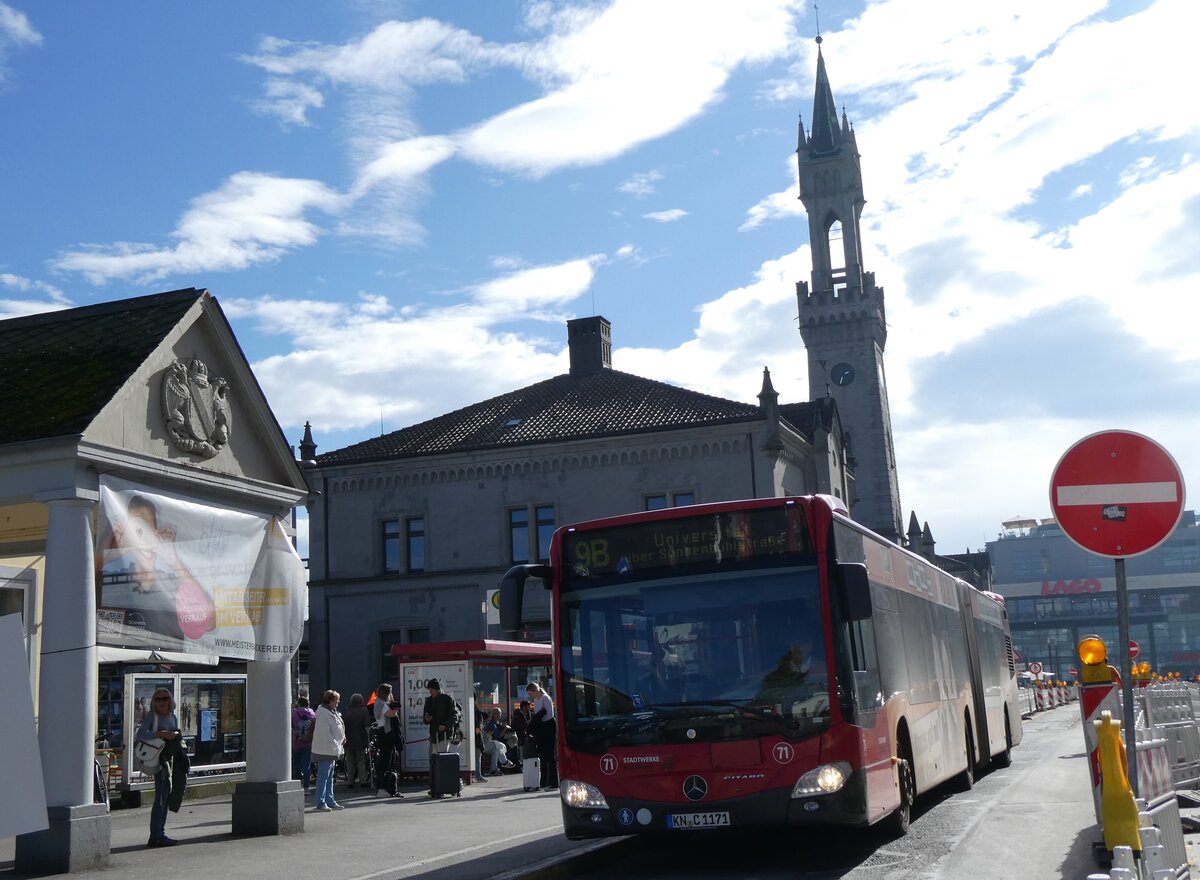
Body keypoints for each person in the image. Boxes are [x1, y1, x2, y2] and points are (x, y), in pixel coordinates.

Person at [137, 687, 184, 846]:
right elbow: (141, 734)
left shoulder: (172, 717)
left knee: (166, 795)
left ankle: (159, 833)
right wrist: (160, 733)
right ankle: (157, 835)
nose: (161, 702)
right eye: (158, 699)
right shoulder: (152, 716)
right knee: (161, 797)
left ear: (170, 701)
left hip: (170, 759)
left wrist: (175, 735)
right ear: (153, 702)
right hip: (158, 761)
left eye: (165, 699)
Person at [311, 689, 346, 811]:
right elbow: (325, 734)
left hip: (331, 749)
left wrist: (342, 738)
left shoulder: (331, 712)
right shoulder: (324, 714)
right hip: (325, 749)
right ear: (330, 700)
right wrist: (336, 743)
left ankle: (330, 800)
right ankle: (321, 803)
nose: (338, 702)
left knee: (329, 777)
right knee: (323, 777)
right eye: (337, 700)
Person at [525, 682, 558, 790]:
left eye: (531, 693)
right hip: (541, 728)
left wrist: (538, 719)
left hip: (548, 727)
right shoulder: (536, 700)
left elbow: (550, 715)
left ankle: (553, 782)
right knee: (543, 756)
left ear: (535, 691)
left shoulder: (545, 698)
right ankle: (544, 781)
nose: (531, 696)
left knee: (550, 755)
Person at [373, 683, 402, 797]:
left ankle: (386, 787)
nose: (391, 694)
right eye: (390, 692)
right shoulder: (382, 704)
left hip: (383, 732)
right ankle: (382, 787)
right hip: (386, 733)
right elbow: (393, 714)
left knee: (387, 760)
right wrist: (393, 704)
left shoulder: (378, 703)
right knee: (386, 761)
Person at [342, 693, 371, 789]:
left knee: (350, 761)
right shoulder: (364, 711)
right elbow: (367, 725)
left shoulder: (346, 711)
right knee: (361, 760)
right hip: (360, 738)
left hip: (348, 739)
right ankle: (362, 780)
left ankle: (350, 781)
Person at [422, 678, 457, 755]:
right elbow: (425, 717)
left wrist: (445, 725)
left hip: (445, 734)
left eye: (431, 690)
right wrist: (426, 719)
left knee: (442, 757)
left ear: (437, 689)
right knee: (434, 758)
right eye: (429, 690)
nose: (430, 692)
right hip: (434, 735)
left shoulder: (448, 699)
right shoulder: (429, 701)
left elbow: (455, 716)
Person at [291, 694, 316, 793]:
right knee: (307, 765)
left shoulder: (295, 713)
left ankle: (297, 785)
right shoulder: (312, 714)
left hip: (296, 742)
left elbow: (291, 725)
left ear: (299, 704)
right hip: (308, 742)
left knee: (296, 763)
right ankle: (306, 788)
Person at [483, 708, 515, 775]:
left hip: (489, 744)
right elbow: (499, 735)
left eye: (500, 713)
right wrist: (506, 728)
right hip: (484, 744)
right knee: (499, 745)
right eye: (497, 713)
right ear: (493, 715)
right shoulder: (491, 724)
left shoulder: (498, 723)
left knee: (497, 750)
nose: (499, 715)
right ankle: (504, 762)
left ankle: (493, 770)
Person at [472, 697, 489, 782]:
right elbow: (479, 726)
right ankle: (477, 775)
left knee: (476, 756)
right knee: (477, 756)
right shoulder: (478, 713)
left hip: (473, 738)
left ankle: (476, 774)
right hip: (476, 739)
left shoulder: (476, 713)